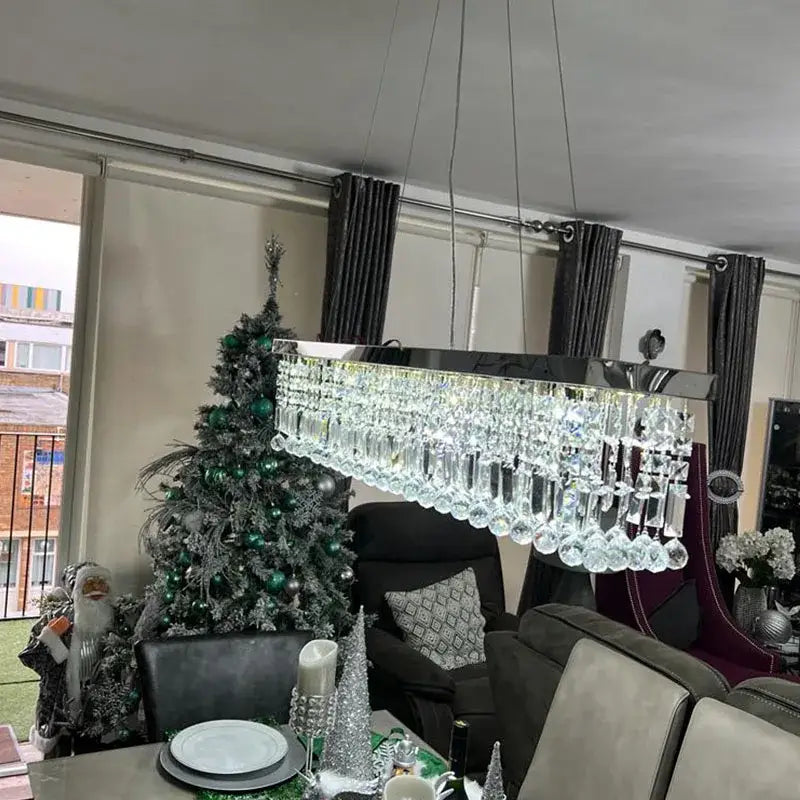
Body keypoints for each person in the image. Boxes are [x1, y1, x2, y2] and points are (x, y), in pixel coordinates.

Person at [19, 561, 115, 756]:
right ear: (77, 589)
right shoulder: (57, 617)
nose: (96, 589)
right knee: (55, 760)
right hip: (60, 703)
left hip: (98, 704)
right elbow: (29, 656)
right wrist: (51, 642)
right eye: (89, 583)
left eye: (101, 583)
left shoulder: (117, 620)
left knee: (90, 756)